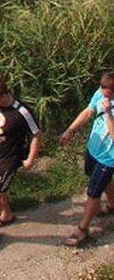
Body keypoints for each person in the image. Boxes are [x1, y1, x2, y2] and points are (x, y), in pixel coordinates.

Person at [0, 78, 41, 251]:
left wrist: (30, 159)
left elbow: (36, 135)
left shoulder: (22, 112)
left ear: (4, 95)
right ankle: (6, 214)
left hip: (7, 161)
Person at [58, 70, 114, 245]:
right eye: (101, 90)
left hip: (109, 157)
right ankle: (113, 204)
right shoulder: (100, 91)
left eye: (106, 94)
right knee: (96, 178)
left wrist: (108, 114)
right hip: (94, 149)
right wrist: (70, 131)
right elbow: (88, 112)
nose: (102, 94)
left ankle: (83, 229)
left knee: (93, 191)